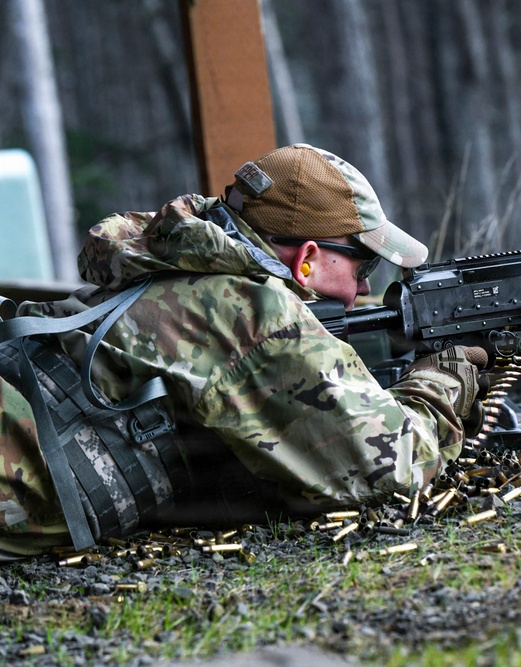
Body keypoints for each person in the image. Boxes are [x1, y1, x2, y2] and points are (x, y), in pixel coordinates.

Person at [0, 143, 488, 560]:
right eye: (362, 272)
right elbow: (395, 469)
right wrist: (442, 377)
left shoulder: (174, 263)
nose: (356, 293)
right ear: (309, 258)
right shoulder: (255, 312)